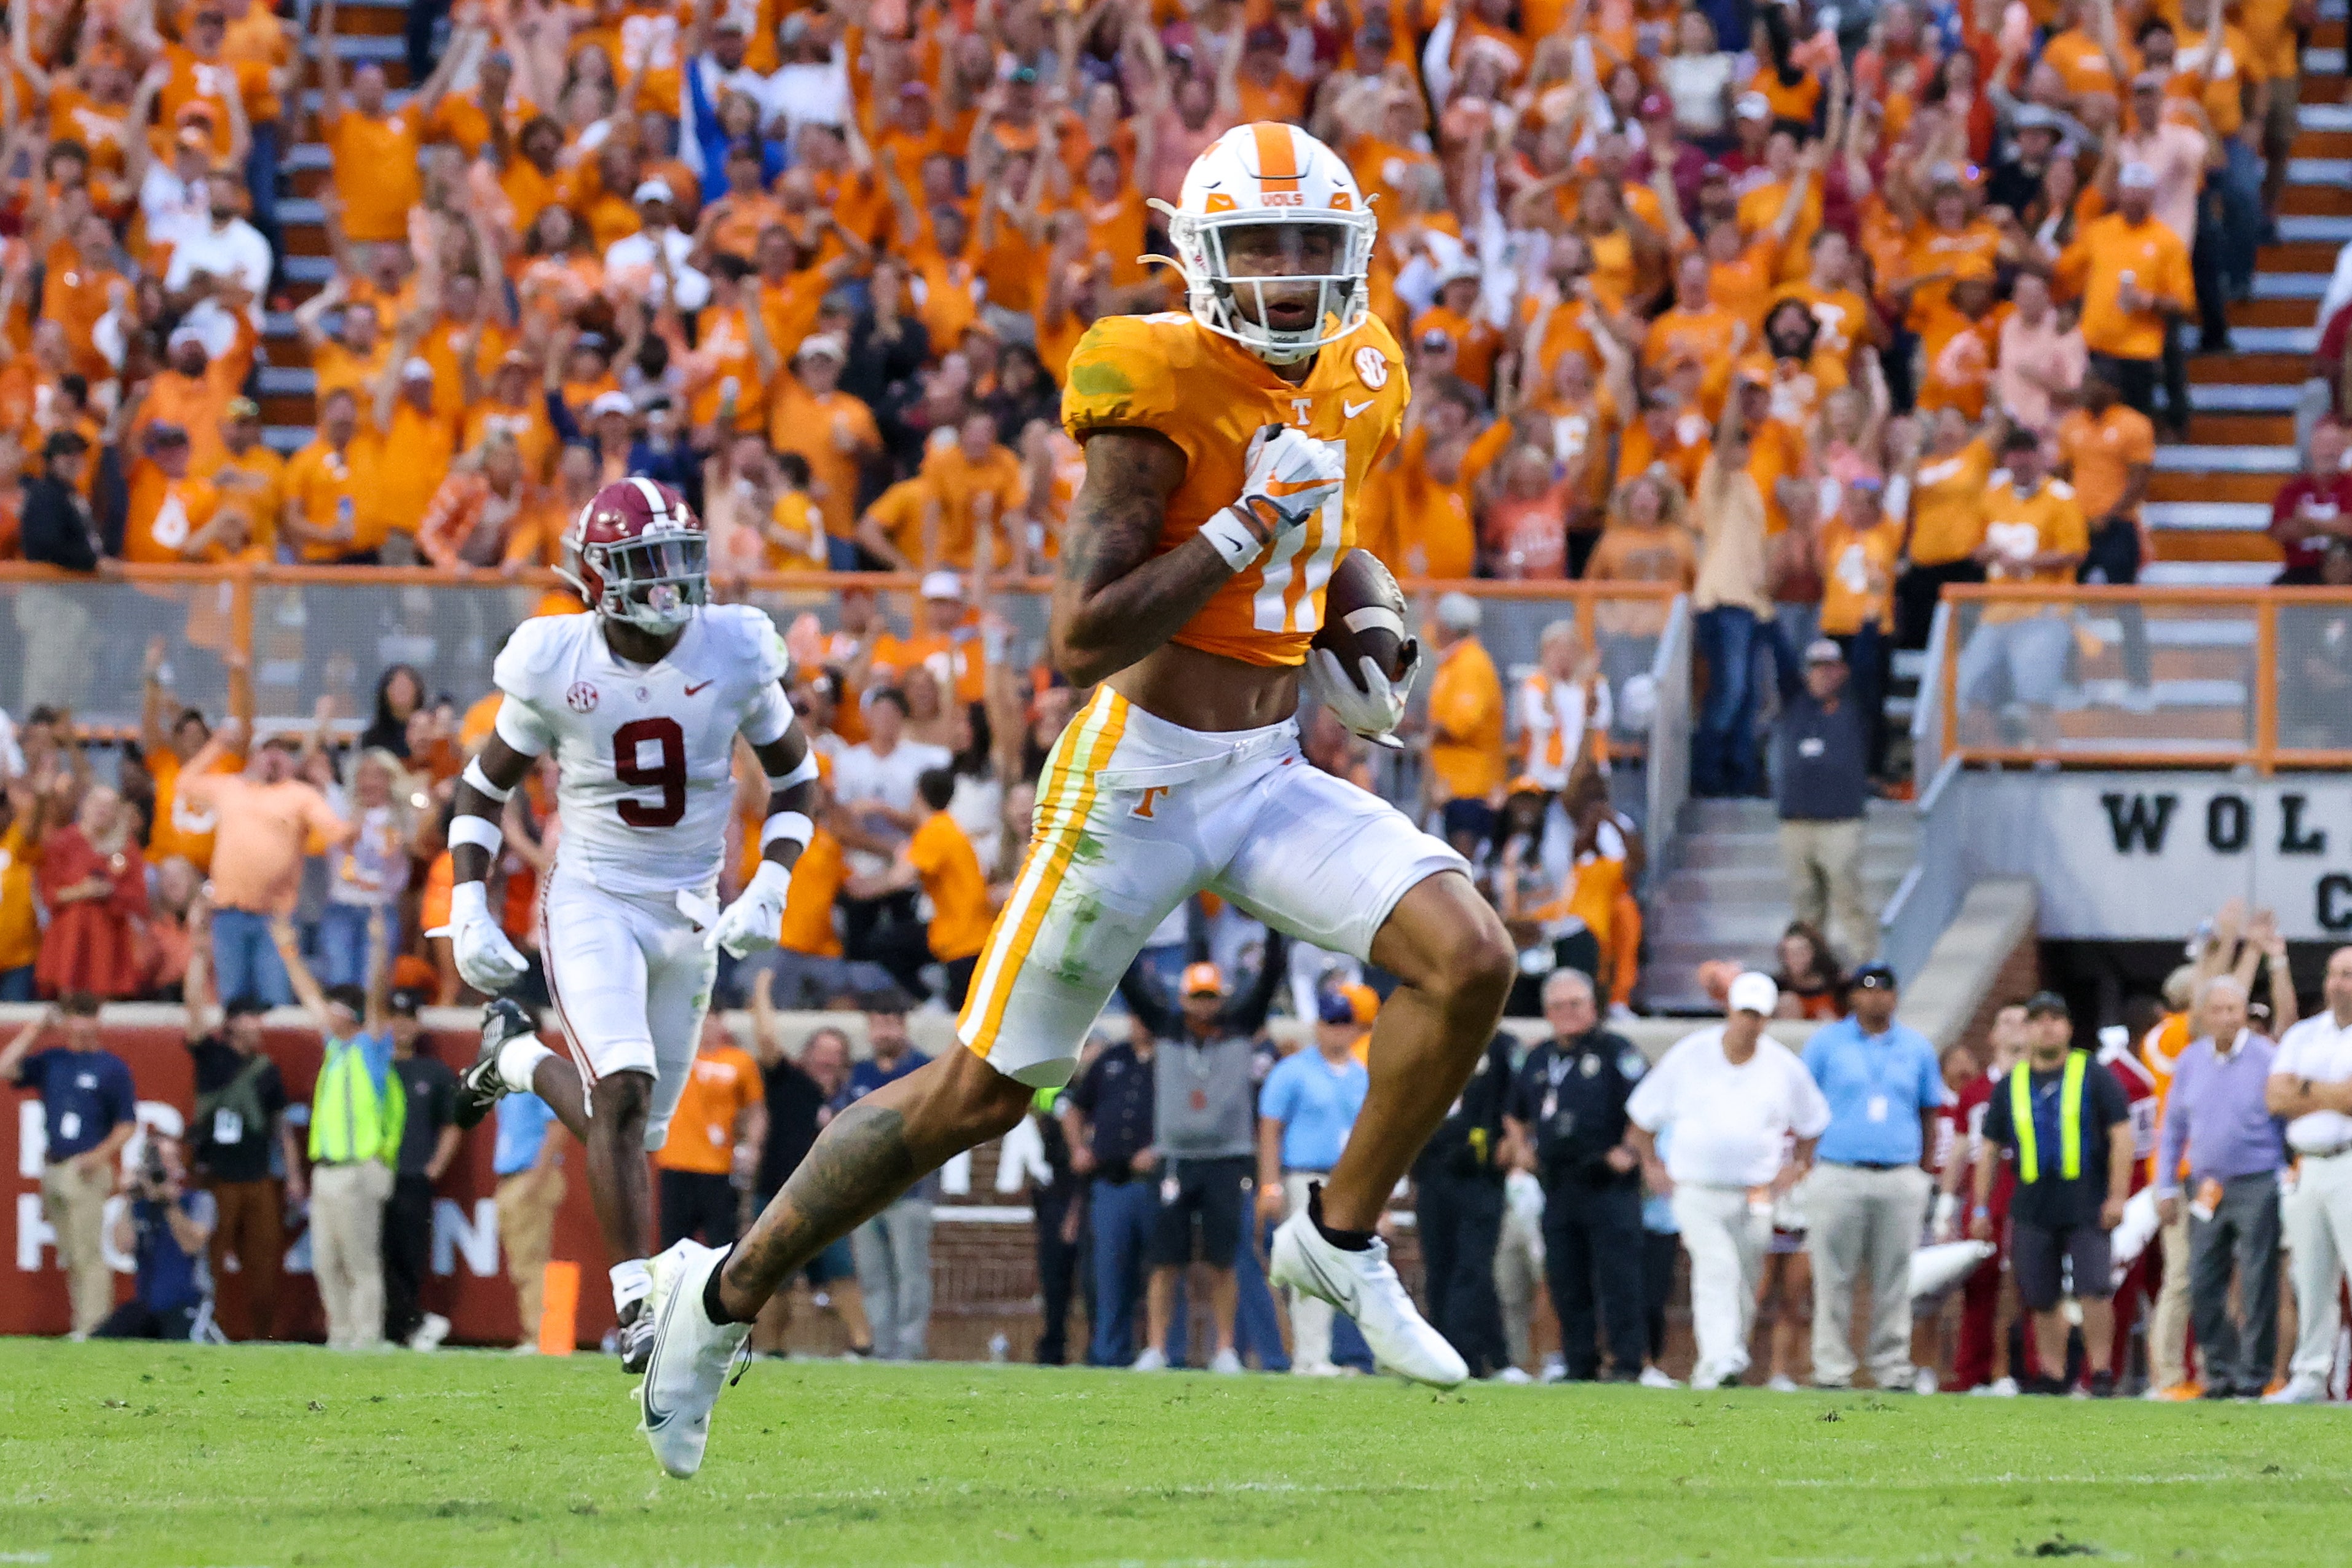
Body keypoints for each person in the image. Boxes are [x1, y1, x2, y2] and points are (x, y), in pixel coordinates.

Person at [638, 121, 1511, 1479]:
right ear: (1196, 257)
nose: (1286, 277)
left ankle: (1334, 1238)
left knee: (1469, 961)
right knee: (977, 1096)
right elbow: (1081, 634)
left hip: (1270, 768)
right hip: (1137, 780)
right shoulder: (1152, 375)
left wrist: (1379, 630)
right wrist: (1237, 532)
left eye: (1309, 247)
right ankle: (718, 1298)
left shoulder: (1363, 365)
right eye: (1258, 247)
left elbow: (1340, 547)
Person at [441, 476, 824, 1377]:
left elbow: (797, 776)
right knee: (617, 1089)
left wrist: (772, 879)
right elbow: (483, 785)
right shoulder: (554, 656)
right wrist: (467, 900)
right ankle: (637, 1306)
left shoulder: (732, 645)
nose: (669, 587)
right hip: (593, 895)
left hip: (689, 907)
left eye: (677, 563)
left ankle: (519, 1060)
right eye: (646, 567)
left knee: (636, 1128)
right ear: (596, 577)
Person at [1627, 972, 1829, 1390]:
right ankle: (1721, 1355)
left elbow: (1813, 1122)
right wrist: (1652, 1165)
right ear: (1730, 1010)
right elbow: (1643, 1116)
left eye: (1759, 1015)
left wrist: (1797, 1167)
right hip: (1697, 1187)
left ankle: (1721, 1363)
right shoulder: (1691, 1055)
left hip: (1755, 1191)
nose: (1751, 1023)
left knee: (1745, 1276)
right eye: (1745, 1013)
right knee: (1716, 1264)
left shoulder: (1783, 1066)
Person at [1119, 941, 1290, 1375]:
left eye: (1211, 997)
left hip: (1227, 1158)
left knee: (1223, 1258)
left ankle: (1225, 1349)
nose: (1204, 1006)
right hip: (1175, 1156)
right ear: (1183, 998)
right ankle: (1157, 1347)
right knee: (1164, 1258)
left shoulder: (1239, 1027)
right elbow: (1132, 985)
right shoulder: (1166, 1027)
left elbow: (1270, 978)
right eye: (1197, 996)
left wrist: (1275, 931)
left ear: (1222, 998)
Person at [1970, 991, 2135, 1396]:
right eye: (2039, 1019)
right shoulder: (2012, 1083)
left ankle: (2099, 1371)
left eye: (2055, 1019)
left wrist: (2117, 1195)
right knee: (2040, 1292)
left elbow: (2122, 1136)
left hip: (2086, 1198)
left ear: (2068, 1027)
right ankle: (2052, 1370)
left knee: (2094, 1286)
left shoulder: (2092, 1074)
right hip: (2032, 1202)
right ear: (2028, 1028)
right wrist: (1980, 1206)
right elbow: (1989, 1149)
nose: (2048, 1026)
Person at [1801, 964, 1944, 1392]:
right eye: (1867, 991)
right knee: (1833, 1275)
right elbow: (1804, 1103)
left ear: (1895, 997)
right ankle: (1831, 1366)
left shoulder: (1916, 1047)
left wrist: (1923, 1169)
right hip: (1839, 1169)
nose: (1876, 998)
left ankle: (1890, 1363)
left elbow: (1929, 1110)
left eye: (1884, 990)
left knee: (1895, 1277)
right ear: (1853, 998)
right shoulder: (1828, 1043)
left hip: (1898, 1172)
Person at [1502, 969, 1647, 1382]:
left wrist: (1630, 1149)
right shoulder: (1539, 1056)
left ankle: (1626, 1362)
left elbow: (1647, 1103)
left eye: (1576, 1004)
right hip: (1558, 1181)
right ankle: (1579, 1361)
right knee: (1566, 1277)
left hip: (1607, 1181)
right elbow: (1514, 1111)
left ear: (1593, 1006)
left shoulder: (1616, 1051)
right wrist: (1522, 1147)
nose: (1568, 1012)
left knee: (1619, 1275)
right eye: (1558, 1006)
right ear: (1547, 1011)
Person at [2154, 975, 2284, 1401]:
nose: (2229, 1017)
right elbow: (2173, 1128)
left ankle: (2254, 1373)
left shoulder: (2267, 1057)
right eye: (2221, 1009)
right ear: (2205, 1015)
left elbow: (2285, 1118)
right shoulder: (2191, 1059)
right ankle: (2221, 1368)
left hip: (2257, 1179)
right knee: (2202, 1277)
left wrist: (2288, 1168)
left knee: (2256, 1278)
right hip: (2205, 1183)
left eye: (2236, 1009)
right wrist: (2166, 1183)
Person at [274, 916, 401, 1352]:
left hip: (358, 1168)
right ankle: (341, 1333)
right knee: (326, 1260)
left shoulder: (370, 1048)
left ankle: (368, 1335)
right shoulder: (335, 1048)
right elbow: (309, 996)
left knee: (360, 1259)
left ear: (347, 1014)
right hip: (326, 1170)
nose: (324, 1014)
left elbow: (377, 999)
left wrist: (379, 949)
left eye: (333, 1009)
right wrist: (290, 954)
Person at [177, 722, 354, 1008]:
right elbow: (184, 784)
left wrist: (351, 813)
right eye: (268, 749)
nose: (275, 757)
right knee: (232, 1004)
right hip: (228, 914)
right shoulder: (230, 787)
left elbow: (336, 831)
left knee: (276, 1001)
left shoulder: (301, 795)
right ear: (253, 756)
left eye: (283, 751)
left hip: (276, 918)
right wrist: (216, 746)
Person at [183, 918, 297, 1342]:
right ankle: (211, 1330)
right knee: (209, 1263)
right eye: (251, 1018)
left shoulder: (268, 1070)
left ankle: (262, 1337)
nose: (258, 1025)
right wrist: (197, 956)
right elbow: (193, 1011)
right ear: (231, 1022)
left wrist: (294, 1176)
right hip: (215, 1176)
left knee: (264, 1264)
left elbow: (280, 1126)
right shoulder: (211, 1055)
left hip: (257, 1175)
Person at [743, 988, 872, 1358]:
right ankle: (772, 1349)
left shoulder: (849, 1097)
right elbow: (767, 1040)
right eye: (821, 1052)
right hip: (779, 1195)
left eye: (836, 1054)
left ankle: (862, 1348)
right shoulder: (790, 1084)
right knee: (773, 1279)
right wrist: (763, 989)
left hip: (828, 1200)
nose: (827, 1061)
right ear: (807, 1056)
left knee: (840, 1272)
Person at [1, 993, 138, 1336]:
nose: (82, 1024)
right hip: (55, 1165)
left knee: (88, 1252)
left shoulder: (112, 1068)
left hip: (86, 1167)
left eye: (88, 1015)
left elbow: (127, 1123)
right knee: (71, 1252)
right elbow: (6, 1068)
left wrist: (99, 1155)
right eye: (76, 1016)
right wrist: (35, 1029)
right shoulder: (53, 1061)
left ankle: (92, 1327)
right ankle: (84, 1324)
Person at [1258, 993, 1376, 1376]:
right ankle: (1310, 1356)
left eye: (1344, 1023)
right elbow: (1270, 1129)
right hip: (1306, 1177)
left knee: (1340, 1270)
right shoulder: (1294, 1071)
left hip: (1347, 1180)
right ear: (1318, 1026)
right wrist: (1269, 1184)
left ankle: (1323, 1353)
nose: (1337, 1031)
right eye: (1330, 1022)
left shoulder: (1361, 1075)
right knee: (1310, 1267)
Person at [2263, 946, 2352, 1404]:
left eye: (2349, 974)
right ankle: (2310, 1375)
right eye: (2335, 974)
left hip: (2349, 1158)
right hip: (2308, 1162)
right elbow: (2276, 1097)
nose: (2340, 983)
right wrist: (2330, 1093)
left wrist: (2305, 1087)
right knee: (2310, 1277)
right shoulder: (2303, 1033)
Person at [1767, 636, 1876, 963]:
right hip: (1797, 821)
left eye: (1830, 667)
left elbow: (1870, 667)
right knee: (1805, 907)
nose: (1822, 675)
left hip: (1840, 821)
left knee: (1848, 898)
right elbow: (1782, 663)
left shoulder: (1855, 706)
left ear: (1843, 671)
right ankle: (1813, 977)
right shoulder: (1796, 704)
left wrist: (1866, 624)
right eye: (1816, 667)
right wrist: (1770, 624)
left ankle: (1866, 972)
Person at [1063, 1014, 1160, 1368]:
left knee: (1162, 1272)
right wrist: (1078, 1149)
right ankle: (1108, 1353)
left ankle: (1164, 1351)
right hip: (1110, 1182)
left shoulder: (1174, 1059)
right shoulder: (1111, 1059)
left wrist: (1161, 1150)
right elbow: (1073, 1108)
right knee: (1109, 1275)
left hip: (1156, 1186)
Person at [843, 1002, 936, 1361]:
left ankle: (909, 1349)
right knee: (873, 1274)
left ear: (903, 1026)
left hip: (910, 1188)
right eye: (877, 1024)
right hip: (865, 1191)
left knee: (911, 1273)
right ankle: (881, 1348)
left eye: (889, 1024)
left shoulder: (922, 1068)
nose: (883, 1033)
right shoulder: (860, 1071)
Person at [383, 984, 457, 1352]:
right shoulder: (372, 1065)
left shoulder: (434, 1072)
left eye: (408, 1018)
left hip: (413, 1176)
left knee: (410, 1256)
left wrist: (435, 1166)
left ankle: (406, 1326)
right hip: (376, 1172)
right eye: (395, 1018)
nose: (401, 1026)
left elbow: (453, 1122)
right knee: (375, 1255)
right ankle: (398, 1326)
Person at [654, 1016, 767, 1251]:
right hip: (676, 1160)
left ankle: (717, 1288)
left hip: (719, 1166)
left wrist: (752, 1147)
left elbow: (756, 1109)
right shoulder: (675, 1057)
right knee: (673, 1243)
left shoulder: (739, 1061)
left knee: (722, 1243)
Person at [93, 1136, 216, 1342]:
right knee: (101, 1341)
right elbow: (123, 1246)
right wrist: (129, 1197)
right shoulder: (140, 1206)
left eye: (170, 1159)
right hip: (147, 1305)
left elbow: (191, 1245)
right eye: (159, 1159)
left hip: (186, 1303)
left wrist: (169, 1204)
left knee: (178, 1344)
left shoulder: (198, 1201)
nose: (165, 1166)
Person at [493, 1087, 566, 1352]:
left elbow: (558, 1125)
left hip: (529, 1175)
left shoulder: (535, 1073)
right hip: (513, 1177)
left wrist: (537, 1177)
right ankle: (534, 1334)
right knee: (522, 1263)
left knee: (532, 1262)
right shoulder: (510, 1081)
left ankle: (540, 1337)